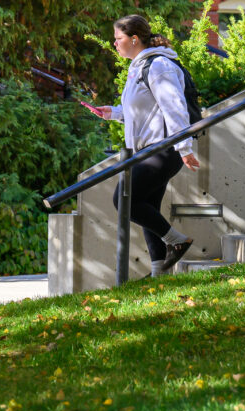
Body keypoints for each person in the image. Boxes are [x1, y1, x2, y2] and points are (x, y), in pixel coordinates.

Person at [82, 14, 203, 276]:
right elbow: (145, 110)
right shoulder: (139, 67)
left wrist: (184, 149)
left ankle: (177, 241)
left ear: (134, 39)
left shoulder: (159, 66)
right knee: (148, 207)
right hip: (150, 148)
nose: (114, 44)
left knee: (125, 200)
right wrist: (113, 112)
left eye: (118, 38)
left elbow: (174, 108)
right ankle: (160, 272)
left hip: (165, 148)